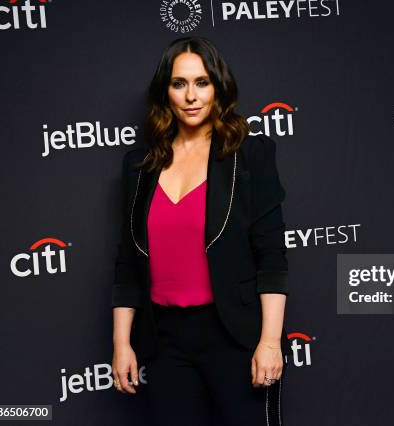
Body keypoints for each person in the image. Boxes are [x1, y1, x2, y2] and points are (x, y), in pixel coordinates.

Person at [110, 36, 290, 426]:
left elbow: (272, 257)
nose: (191, 96)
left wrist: (270, 342)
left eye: (202, 82)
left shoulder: (250, 155)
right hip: (167, 341)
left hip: (234, 337)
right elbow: (128, 263)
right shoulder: (139, 166)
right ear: (166, 92)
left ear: (218, 87)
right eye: (179, 84)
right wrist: (121, 343)